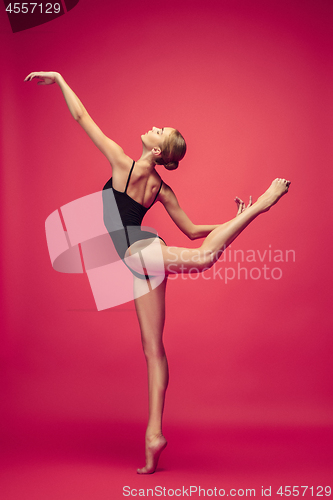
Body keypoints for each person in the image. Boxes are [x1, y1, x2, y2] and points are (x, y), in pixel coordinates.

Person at [25, 71, 291, 474]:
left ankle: (262, 206)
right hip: (141, 262)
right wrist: (225, 220)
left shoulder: (124, 165)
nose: (152, 127)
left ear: (159, 148)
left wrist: (61, 79)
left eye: (159, 130)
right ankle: (154, 435)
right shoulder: (160, 188)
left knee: (203, 260)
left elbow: (82, 118)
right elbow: (193, 229)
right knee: (153, 350)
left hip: (141, 253)